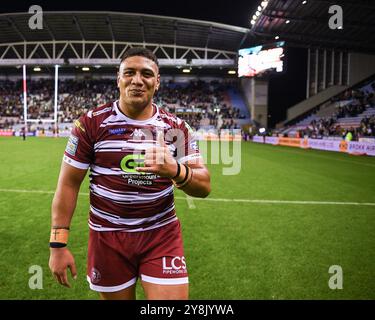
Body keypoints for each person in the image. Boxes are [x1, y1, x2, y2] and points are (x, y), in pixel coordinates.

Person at [48, 47, 211, 300]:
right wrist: (58, 244)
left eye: (146, 74)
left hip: (161, 234)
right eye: (129, 73)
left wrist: (174, 170)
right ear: (118, 78)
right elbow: (68, 184)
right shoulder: (90, 123)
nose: (137, 80)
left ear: (157, 82)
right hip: (107, 236)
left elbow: (204, 186)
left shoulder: (176, 128)